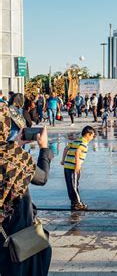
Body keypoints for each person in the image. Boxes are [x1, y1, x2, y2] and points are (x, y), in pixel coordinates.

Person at [0, 103, 53, 276]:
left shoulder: (11, 152)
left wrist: (14, 144)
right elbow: (42, 177)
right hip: (15, 235)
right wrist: (44, 148)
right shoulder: (15, 156)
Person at [60, 126, 96, 211]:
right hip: (73, 167)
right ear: (88, 134)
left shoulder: (76, 141)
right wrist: (77, 165)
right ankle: (79, 204)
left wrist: (63, 160)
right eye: (92, 136)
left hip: (67, 166)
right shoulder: (84, 143)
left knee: (70, 185)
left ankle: (74, 203)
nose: (92, 138)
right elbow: (78, 152)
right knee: (74, 186)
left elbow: (66, 148)